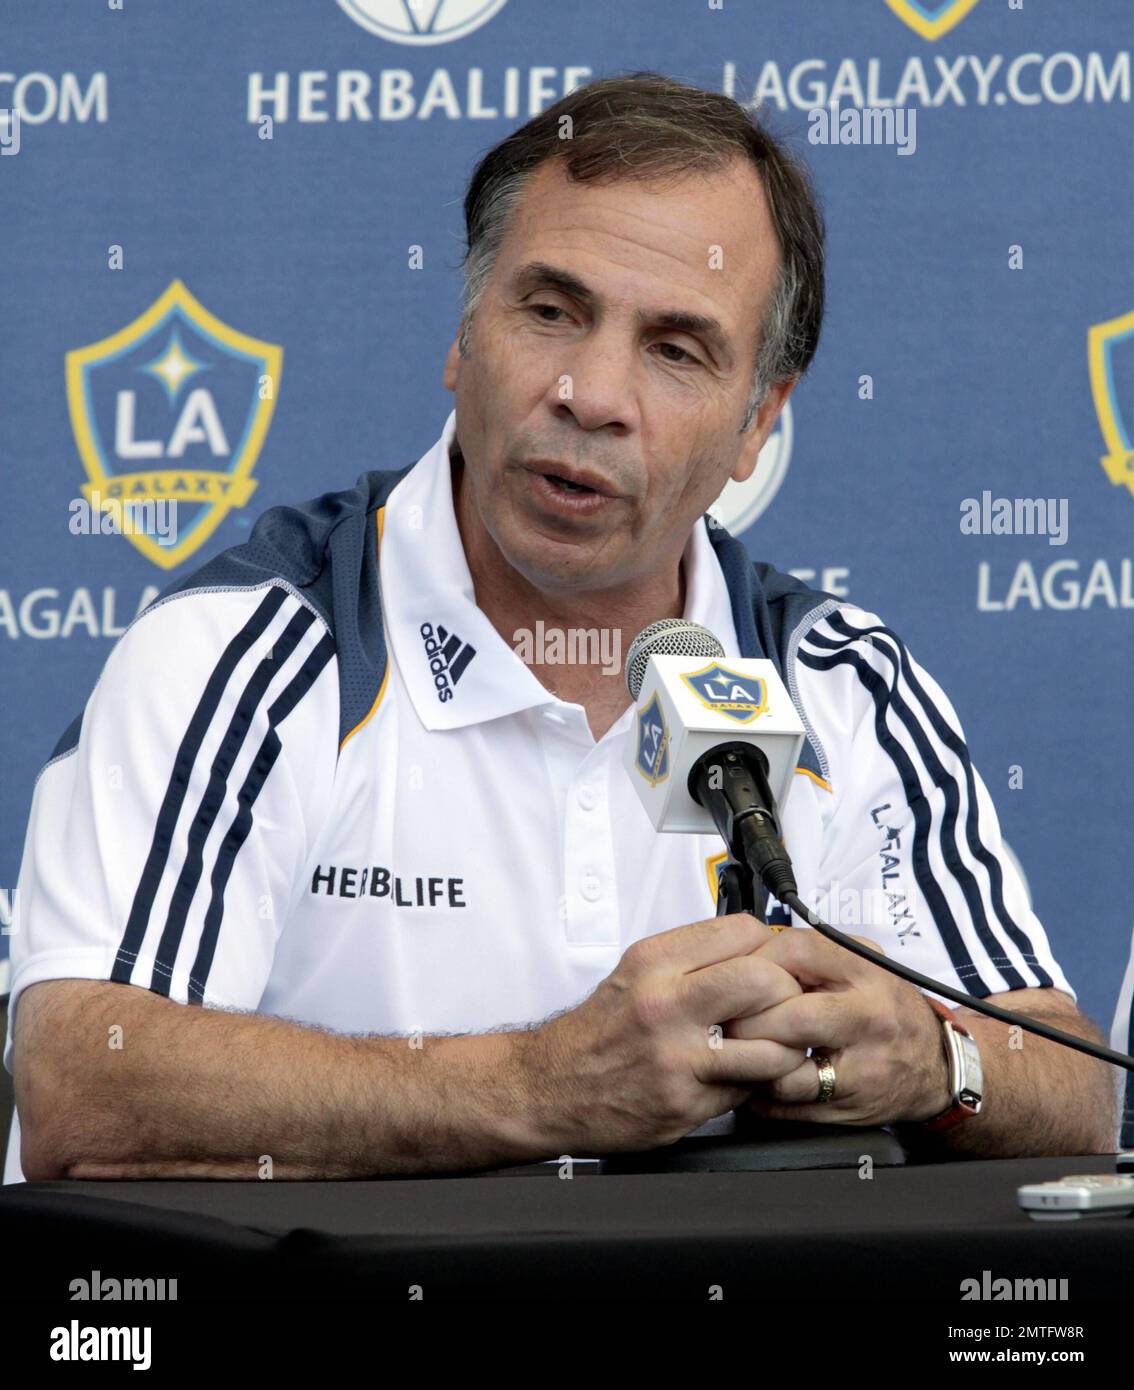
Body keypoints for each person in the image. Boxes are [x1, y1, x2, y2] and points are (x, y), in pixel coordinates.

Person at [4, 73, 1117, 1183]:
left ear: (757, 421)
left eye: (676, 349)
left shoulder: (844, 684)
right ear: (463, 336)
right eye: (551, 312)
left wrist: (936, 1060)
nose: (590, 393)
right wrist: (541, 1086)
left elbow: (1072, 1084)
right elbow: (84, 1085)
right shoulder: (247, 649)